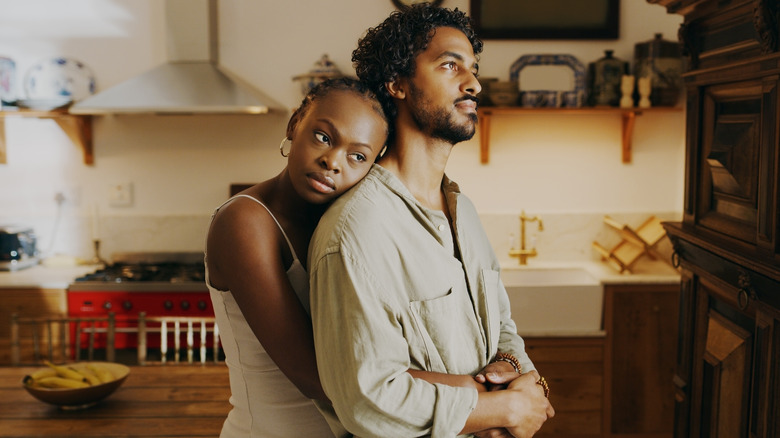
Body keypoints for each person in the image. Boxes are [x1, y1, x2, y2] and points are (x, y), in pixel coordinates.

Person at [308, 5, 555, 438]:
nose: (473, 83)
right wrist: (501, 410)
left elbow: (502, 327)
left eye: (473, 69)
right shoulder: (355, 232)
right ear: (397, 84)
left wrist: (516, 374)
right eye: (449, 65)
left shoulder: (464, 211)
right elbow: (367, 399)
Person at [204, 77, 389, 437]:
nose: (332, 161)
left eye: (358, 156)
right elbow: (316, 378)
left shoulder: (342, 226)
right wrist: (472, 395)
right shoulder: (244, 222)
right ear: (295, 125)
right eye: (324, 137)